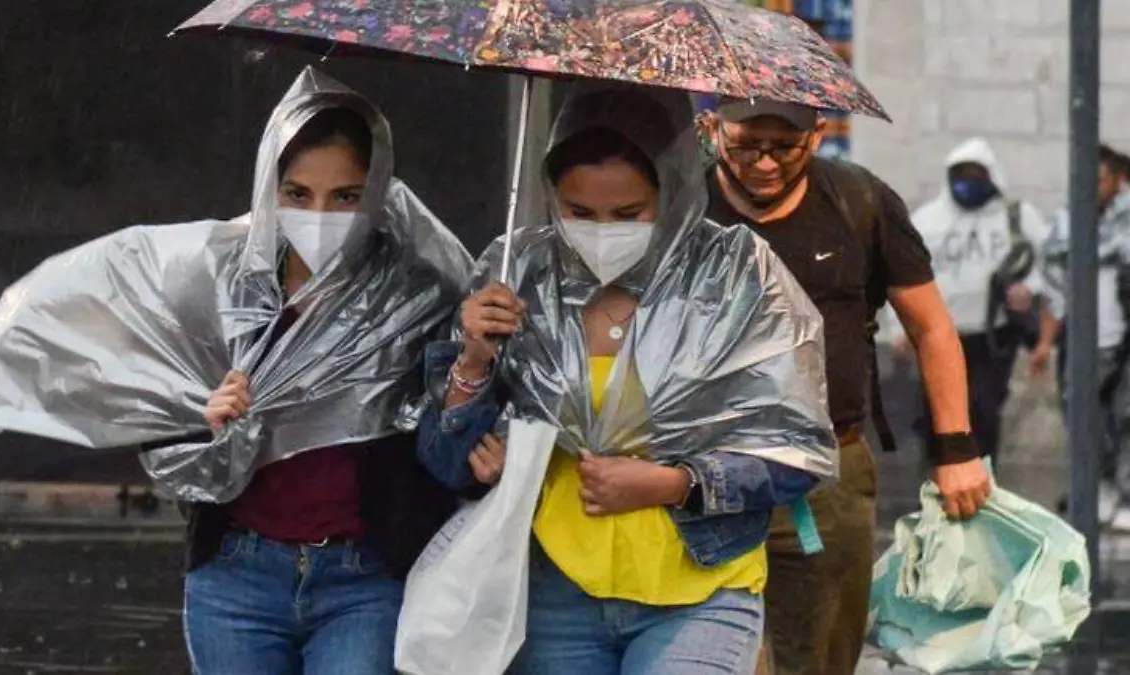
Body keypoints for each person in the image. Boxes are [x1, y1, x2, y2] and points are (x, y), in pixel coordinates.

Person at [417, 84, 838, 675]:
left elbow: (796, 451)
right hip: (556, 589)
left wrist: (674, 483)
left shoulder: (738, 275)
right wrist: (473, 364)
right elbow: (445, 462)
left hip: (700, 589)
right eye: (579, 212)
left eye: (627, 214)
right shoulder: (518, 275)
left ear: (673, 193)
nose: (601, 231)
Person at [171, 70, 470, 674]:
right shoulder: (224, 290)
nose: (320, 214)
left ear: (377, 193)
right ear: (270, 191)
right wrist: (205, 420)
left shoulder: (418, 298)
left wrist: (474, 371)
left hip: (364, 580)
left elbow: (444, 451)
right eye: (299, 194)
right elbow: (168, 441)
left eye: (345, 197)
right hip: (236, 578)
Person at [703, 98, 992, 675]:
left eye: (784, 148)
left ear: (816, 136)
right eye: (746, 146)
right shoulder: (680, 202)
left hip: (826, 466)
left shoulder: (860, 202)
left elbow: (931, 328)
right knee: (709, 653)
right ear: (713, 130)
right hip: (702, 469)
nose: (765, 163)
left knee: (820, 652)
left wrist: (956, 449)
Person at [889, 138, 1054, 468]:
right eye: (961, 174)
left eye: (976, 174)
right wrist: (899, 327)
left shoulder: (1017, 217)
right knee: (937, 414)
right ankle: (939, 480)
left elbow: (1050, 265)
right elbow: (902, 276)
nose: (968, 182)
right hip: (939, 335)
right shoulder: (928, 221)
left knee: (983, 411)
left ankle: (983, 481)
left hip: (993, 335)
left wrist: (1029, 289)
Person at [1043, 143, 1130, 527]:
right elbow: (1054, 289)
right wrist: (1045, 342)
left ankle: (1124, 493)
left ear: (1116, 181)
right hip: (1081, 342)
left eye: (1100, 180)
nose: (1093, 188)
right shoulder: (1066, 223)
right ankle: (1095, 488)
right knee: (1082, 418)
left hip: (1121, 340)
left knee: (1124, 418)